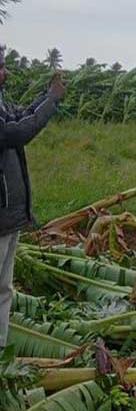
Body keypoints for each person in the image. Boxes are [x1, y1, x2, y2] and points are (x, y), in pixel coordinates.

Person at [0, 44, 64, 347]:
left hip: (8, 216)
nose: (5, 72)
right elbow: (17, 131)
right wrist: (51, 100)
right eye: (1, 66)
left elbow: (22, 115)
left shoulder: (1, 101)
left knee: (4, 289)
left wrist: (44, 97)